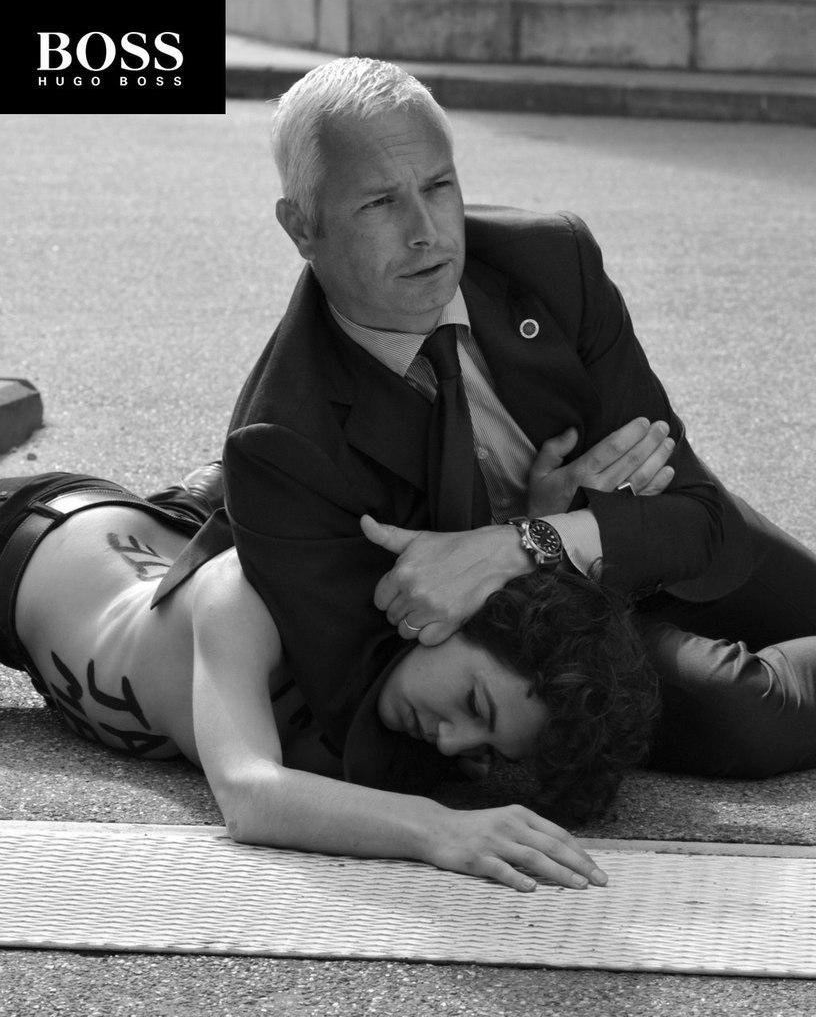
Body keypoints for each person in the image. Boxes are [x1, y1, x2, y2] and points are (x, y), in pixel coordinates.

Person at [151, 55, 816, 791]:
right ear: (302, 226)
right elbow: (373, 715)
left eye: (439, 186)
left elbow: (700, 521)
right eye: (380, 203)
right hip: (534, 650)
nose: (426, 232)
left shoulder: (550, 262)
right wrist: (543, 549)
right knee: (747, 715)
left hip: (624, 538)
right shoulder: (283, 443)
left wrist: (530, 540)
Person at [0, 466, 658, 893]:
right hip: (25, 536)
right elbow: (250, 795)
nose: (454, 743)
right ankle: (208, 489)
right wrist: (439, 828)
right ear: (456, 612)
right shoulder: (250, 598)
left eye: (489, 748)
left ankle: (200, 496)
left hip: (151, 545)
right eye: (473, 705)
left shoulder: (412, 703)